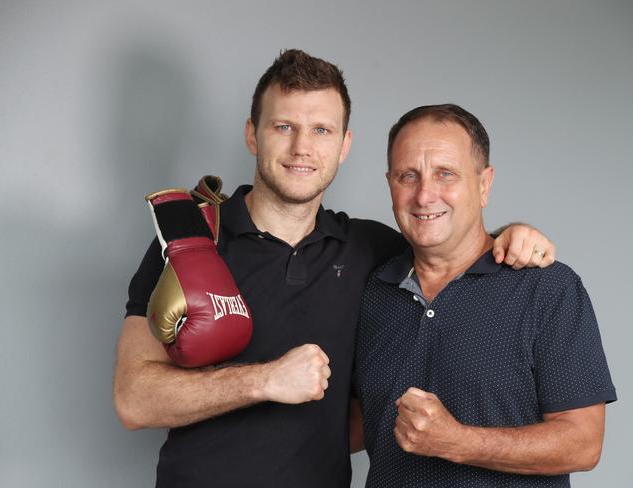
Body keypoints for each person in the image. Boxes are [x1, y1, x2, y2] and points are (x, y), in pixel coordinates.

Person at [113, 51, 555, 487]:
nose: (302, 147)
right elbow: (134, 400)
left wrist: (511, 235)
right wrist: (265, 380)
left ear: (344, 145)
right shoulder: (190, 240)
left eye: (321, 130)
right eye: (283, 126)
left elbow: (449, 243)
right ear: (252, 135)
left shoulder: (372, 249)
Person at [354, 104, 616, 487]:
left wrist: (458, 442)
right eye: (407, 175)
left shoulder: (547, 288)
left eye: (446, 174)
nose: (425, 195)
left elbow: (583, 444)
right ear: (390, 183)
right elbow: (354, 422)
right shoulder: (372, 291)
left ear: (484, 184)